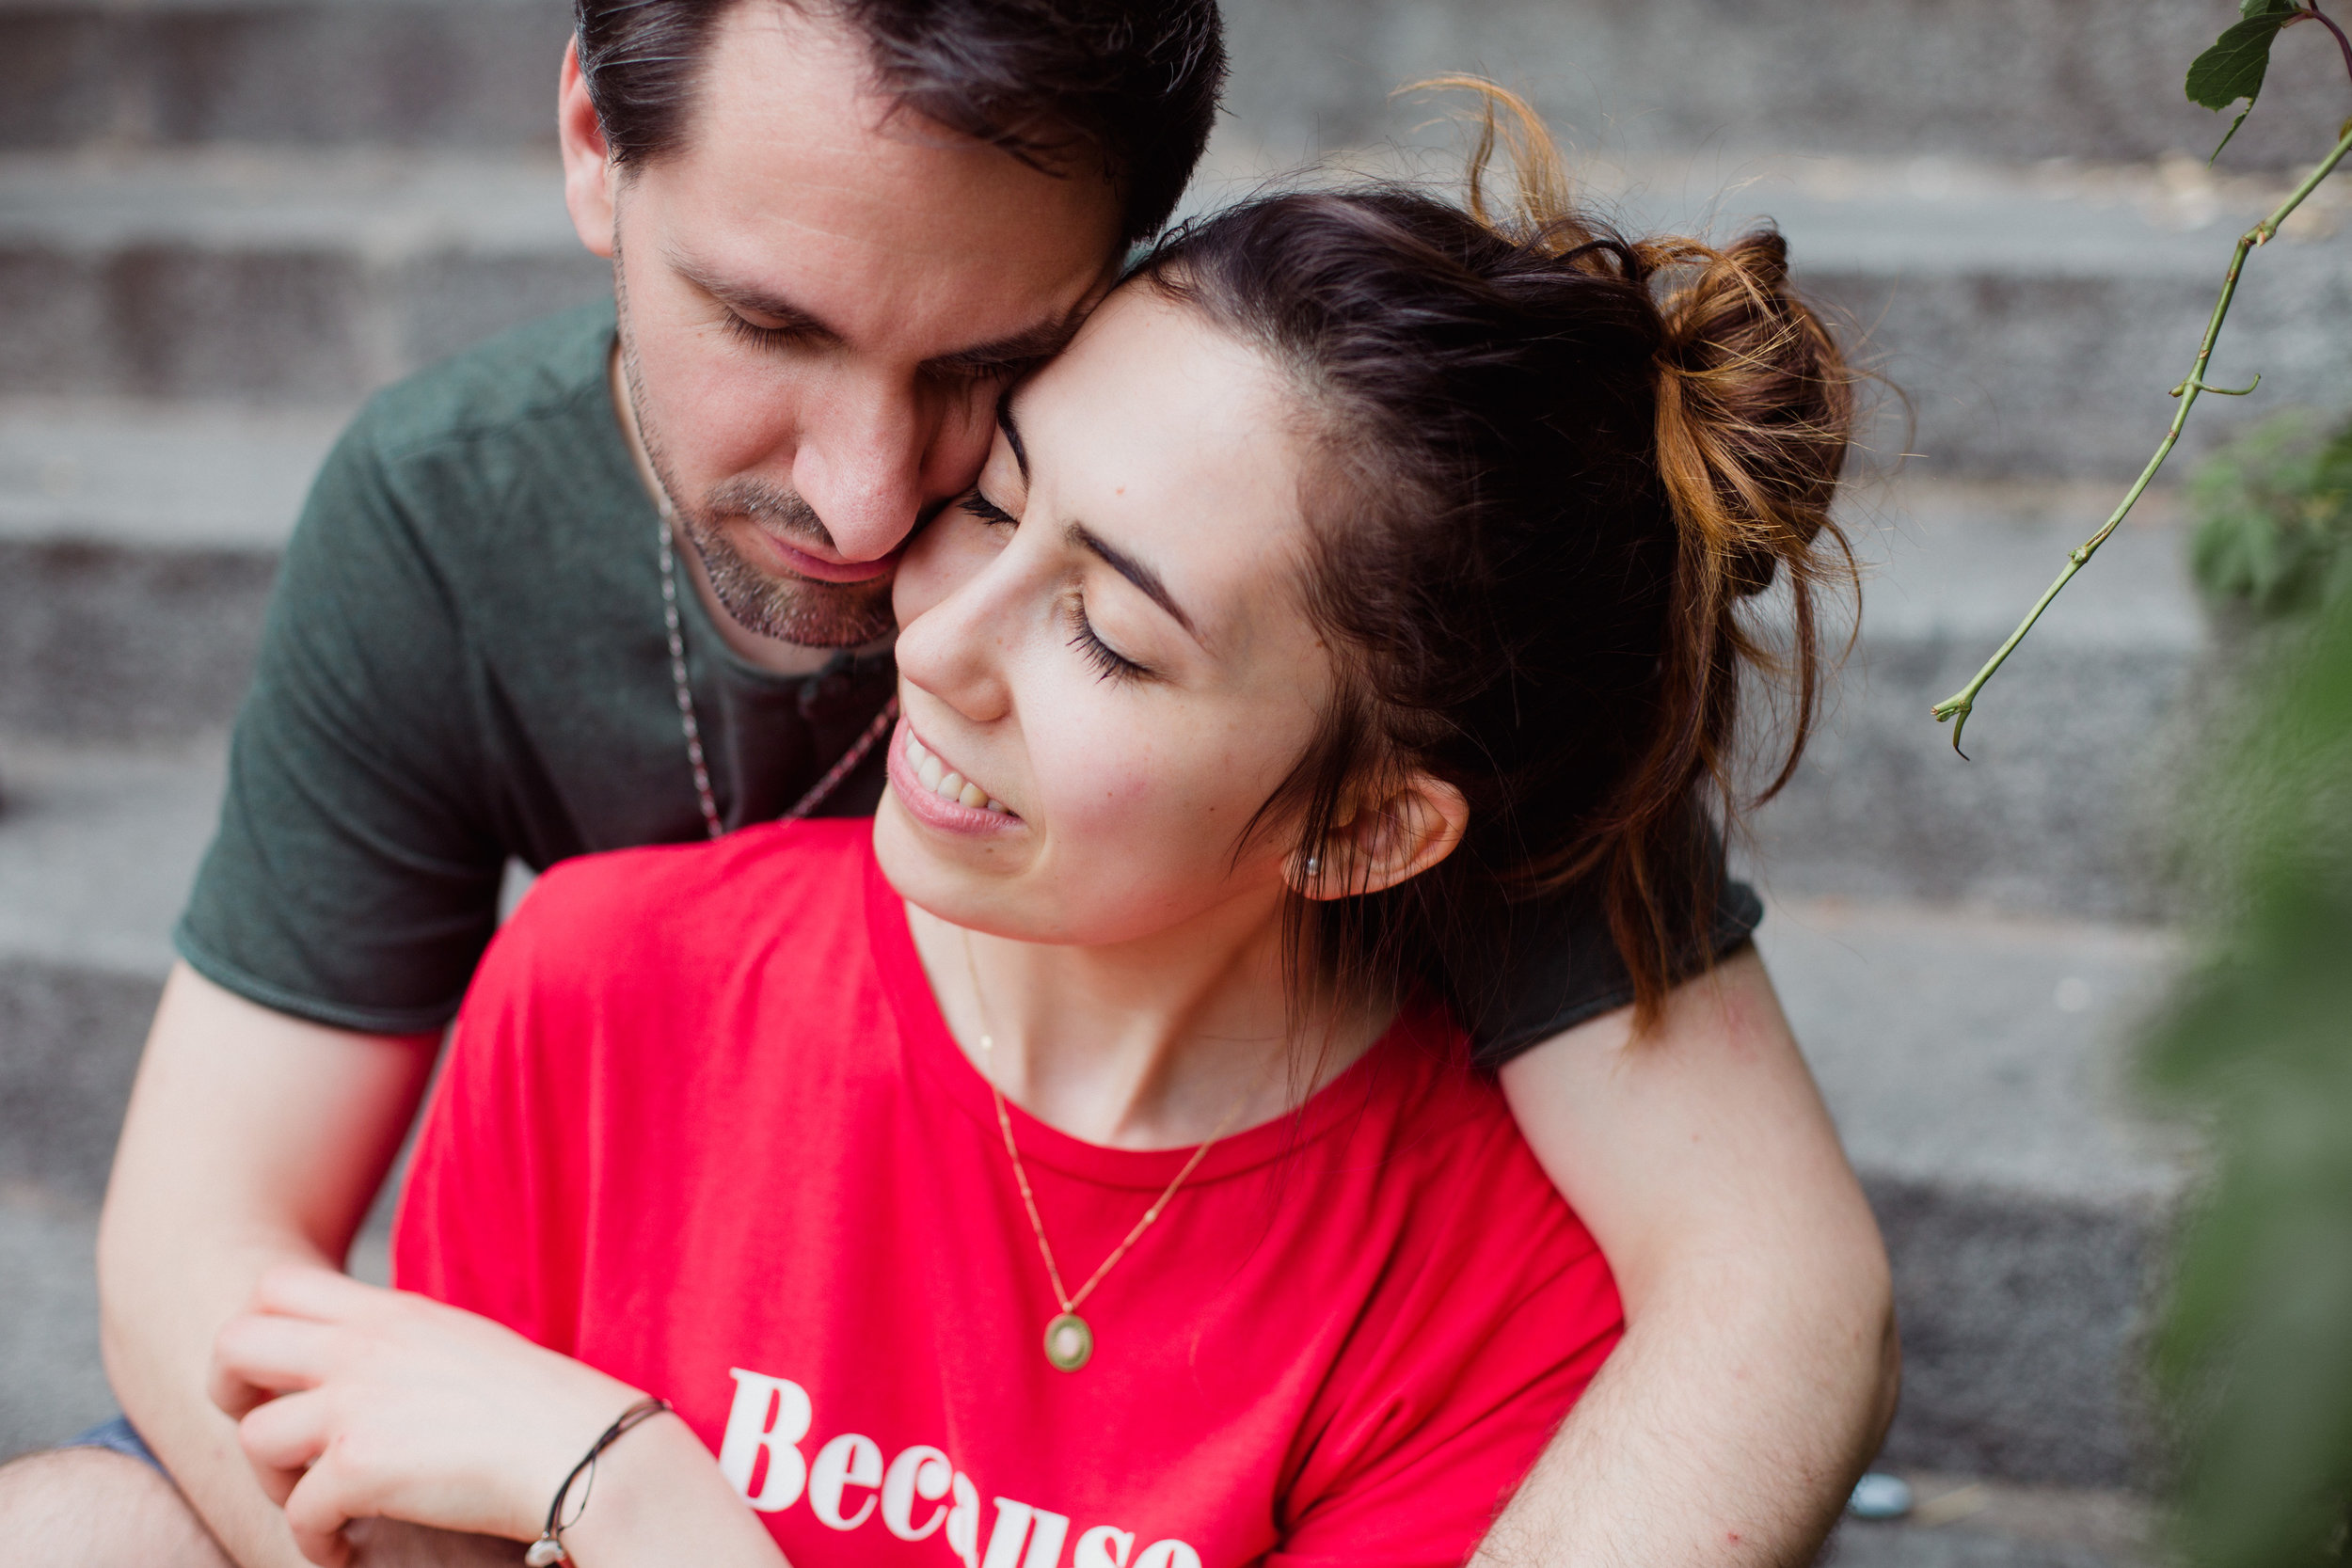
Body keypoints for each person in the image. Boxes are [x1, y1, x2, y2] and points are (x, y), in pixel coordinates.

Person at [0, 5, 1894, 1566]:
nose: (868, 516)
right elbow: (205, 1249)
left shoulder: (1362, 584)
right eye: (768, 325)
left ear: (1122, 266)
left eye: (984, 368)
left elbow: (1766, 1284)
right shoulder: (454, 543)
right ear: (591, 141)